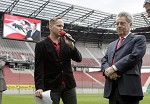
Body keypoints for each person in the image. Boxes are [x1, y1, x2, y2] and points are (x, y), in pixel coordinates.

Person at [34, 16, 82, 104]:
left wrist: (72, 46)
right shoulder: (41, 45)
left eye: (62, 26)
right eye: (59, 26)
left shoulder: (67, 42)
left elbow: (78, 59)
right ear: (50, 27)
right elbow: (39, 68)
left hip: (68, 85)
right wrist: (39, 87)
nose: (62, 28)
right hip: (51, 87)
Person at [101, 11, 146, 104]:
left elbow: (135, 56)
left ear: (130, 24)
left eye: (122, 23)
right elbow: (104, 60)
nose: (119, 26)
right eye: (117, 23)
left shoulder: (139, 39)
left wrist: (113, 68)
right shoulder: (111, 44)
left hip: (129, 90)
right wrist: (107, 71)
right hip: (112, 90)